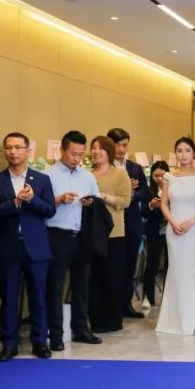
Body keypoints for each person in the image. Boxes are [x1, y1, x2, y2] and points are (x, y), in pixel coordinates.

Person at [0, 132, 57, 362]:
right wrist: (14, 202)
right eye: (8, 148)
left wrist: (32, 199)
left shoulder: (41, 179)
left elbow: (50, 210)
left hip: (37, 248)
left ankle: (40, 342)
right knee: (9, 298)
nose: (13, 152)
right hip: (8, 248)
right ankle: (9, 344)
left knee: (39, 297)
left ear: (28, 151)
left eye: (17, 147)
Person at [45, 130, 100, 351]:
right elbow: (41, 205)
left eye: (80, 154)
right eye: (73, 154)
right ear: (62, 150)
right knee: (55, 285)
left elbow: (97, 201)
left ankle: (81, 328)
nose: (77, 158)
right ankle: (56, 334)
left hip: (81, 235)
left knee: (81, 285)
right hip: (57, 236)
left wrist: (90, 203)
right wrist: (59, 199)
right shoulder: (48, 175)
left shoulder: (87, 177)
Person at [155, 137, 195, 335]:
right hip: (174, 230)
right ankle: (175, 321)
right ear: (175, 154)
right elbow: (164, 204)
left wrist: (190, 222)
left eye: (187, 150)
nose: (183, 154)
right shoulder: (169, 177)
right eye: (179, 150)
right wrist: (173, 222)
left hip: (194, 230)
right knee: (176, 272)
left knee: (193, 272)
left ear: (193, 152)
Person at [88, 135, 131, 334]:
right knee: (94, 277)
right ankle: (95, 319)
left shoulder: (120, 174)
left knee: (112, 277)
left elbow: (125, 201)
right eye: (93, 148)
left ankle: (113, 320)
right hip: (92, 232)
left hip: (114, 233)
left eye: (100, 148)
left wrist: (102, 196)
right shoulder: (87, 175)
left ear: (109, 152)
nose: (96, 152)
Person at [108, 128, 149, 319]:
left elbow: (146, 192)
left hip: (131, 222)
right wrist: (123, 189)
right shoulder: (104, 167)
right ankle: (111, 306)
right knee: (111, 265)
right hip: (111, 222)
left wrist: (132, 193)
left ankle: (126, 304)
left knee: (129, 264)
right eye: (117, 145)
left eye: (125, 145)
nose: (121, 149)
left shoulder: (135, 168)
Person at [141, 161, 169, 308]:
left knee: (170, 264)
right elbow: (143, 212)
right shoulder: (148, 191)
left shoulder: (173, 189)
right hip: (154, 230)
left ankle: (168, 298)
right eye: (156, 175)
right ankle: (148, 296)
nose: (159, 179)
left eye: (162, 175)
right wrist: (151, 205)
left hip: (172, 229)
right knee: (152, 262)